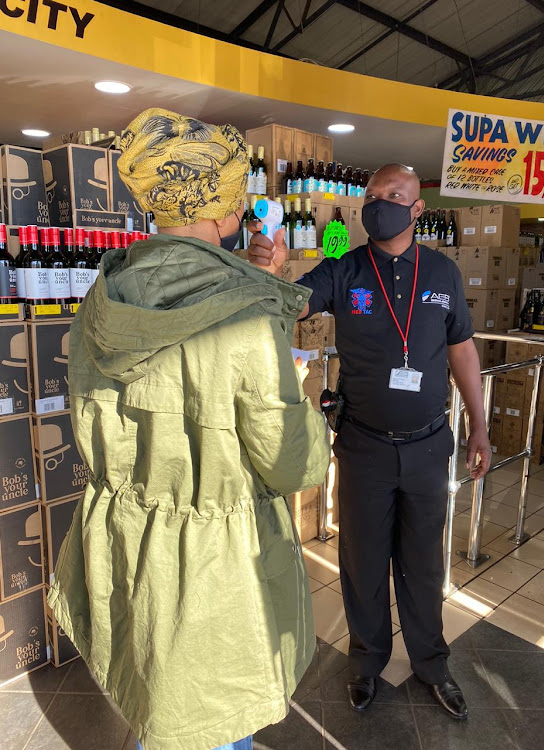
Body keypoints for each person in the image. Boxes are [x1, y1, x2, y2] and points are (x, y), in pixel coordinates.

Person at [47, 108, 330, 750]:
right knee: (211, 712)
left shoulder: (104, 295)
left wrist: (266, 281)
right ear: (228, 210)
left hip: (125, 534)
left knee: (158, 693)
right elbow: (291, 462)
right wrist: (308, 406)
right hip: (214, 562)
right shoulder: (246, 320)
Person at [248, 163, 492, 721]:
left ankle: (432, 663)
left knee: (424, 562)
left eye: (394, 195)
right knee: (361, 561)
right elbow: (294, 305)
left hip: (430, 444)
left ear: (417, 208)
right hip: (364, 447)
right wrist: (275, 273)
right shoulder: (345, 270)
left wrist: (478, 424)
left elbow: (462, 351)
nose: (379, 204)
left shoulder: (443, 272)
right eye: (372, 196)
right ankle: (366, 663)